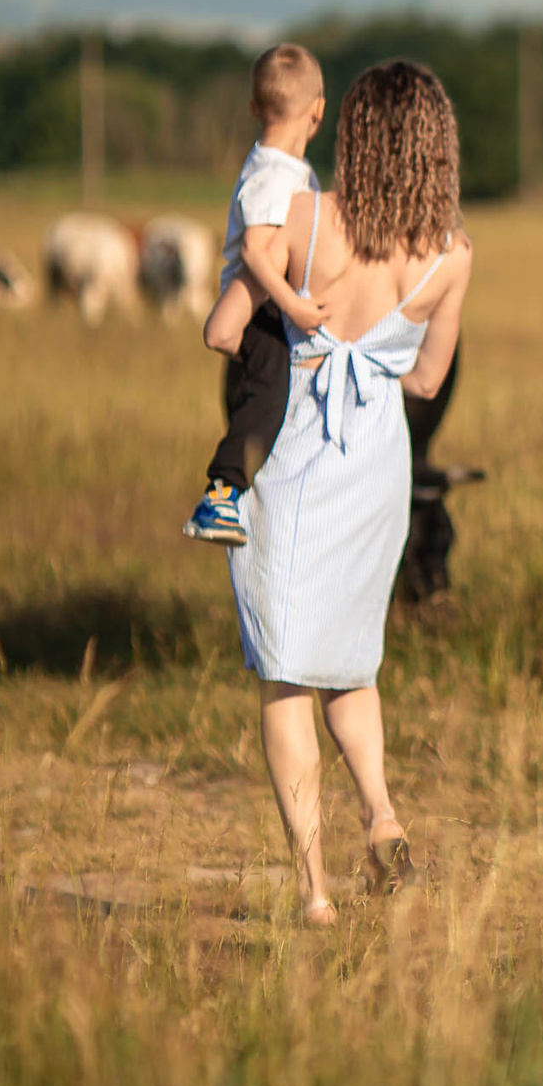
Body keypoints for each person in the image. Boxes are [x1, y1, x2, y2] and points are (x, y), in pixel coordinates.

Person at [204, 60, 474, 926]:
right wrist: (380, 355)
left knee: (287, 672)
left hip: (296, 462)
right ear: (438, 145)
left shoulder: (307, 218)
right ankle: (383, 815)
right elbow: (429, 380)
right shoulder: (455, 254)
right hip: (377, 468)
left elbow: (228, 325)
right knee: (351, 661)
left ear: (348, 131)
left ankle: (316, 890)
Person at [182, 43, 331, 545]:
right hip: (262, 313)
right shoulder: (276, 177)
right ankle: (220, 494)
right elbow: (255, 249)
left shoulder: (279, 168)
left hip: (268, 307)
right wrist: (293, 307)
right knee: (266, 397)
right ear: (319, 109)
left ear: (253, 108)